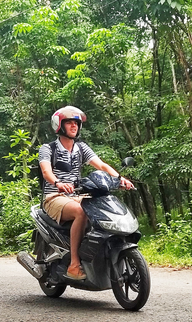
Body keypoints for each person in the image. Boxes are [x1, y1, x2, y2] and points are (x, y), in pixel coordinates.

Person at [39, 106, 134, 280]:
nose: (74, 126)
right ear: (59, 125)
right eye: (69, 123)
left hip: (76, 195)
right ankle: (74, 264)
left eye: (76, 123)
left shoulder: (81, 148)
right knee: (81, 212)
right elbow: (46, 172)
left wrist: (120, 179)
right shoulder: (48, 148)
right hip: (54, 197)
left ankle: (96, 255)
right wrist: (58, 183)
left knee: (102, 210)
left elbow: (102, 166)